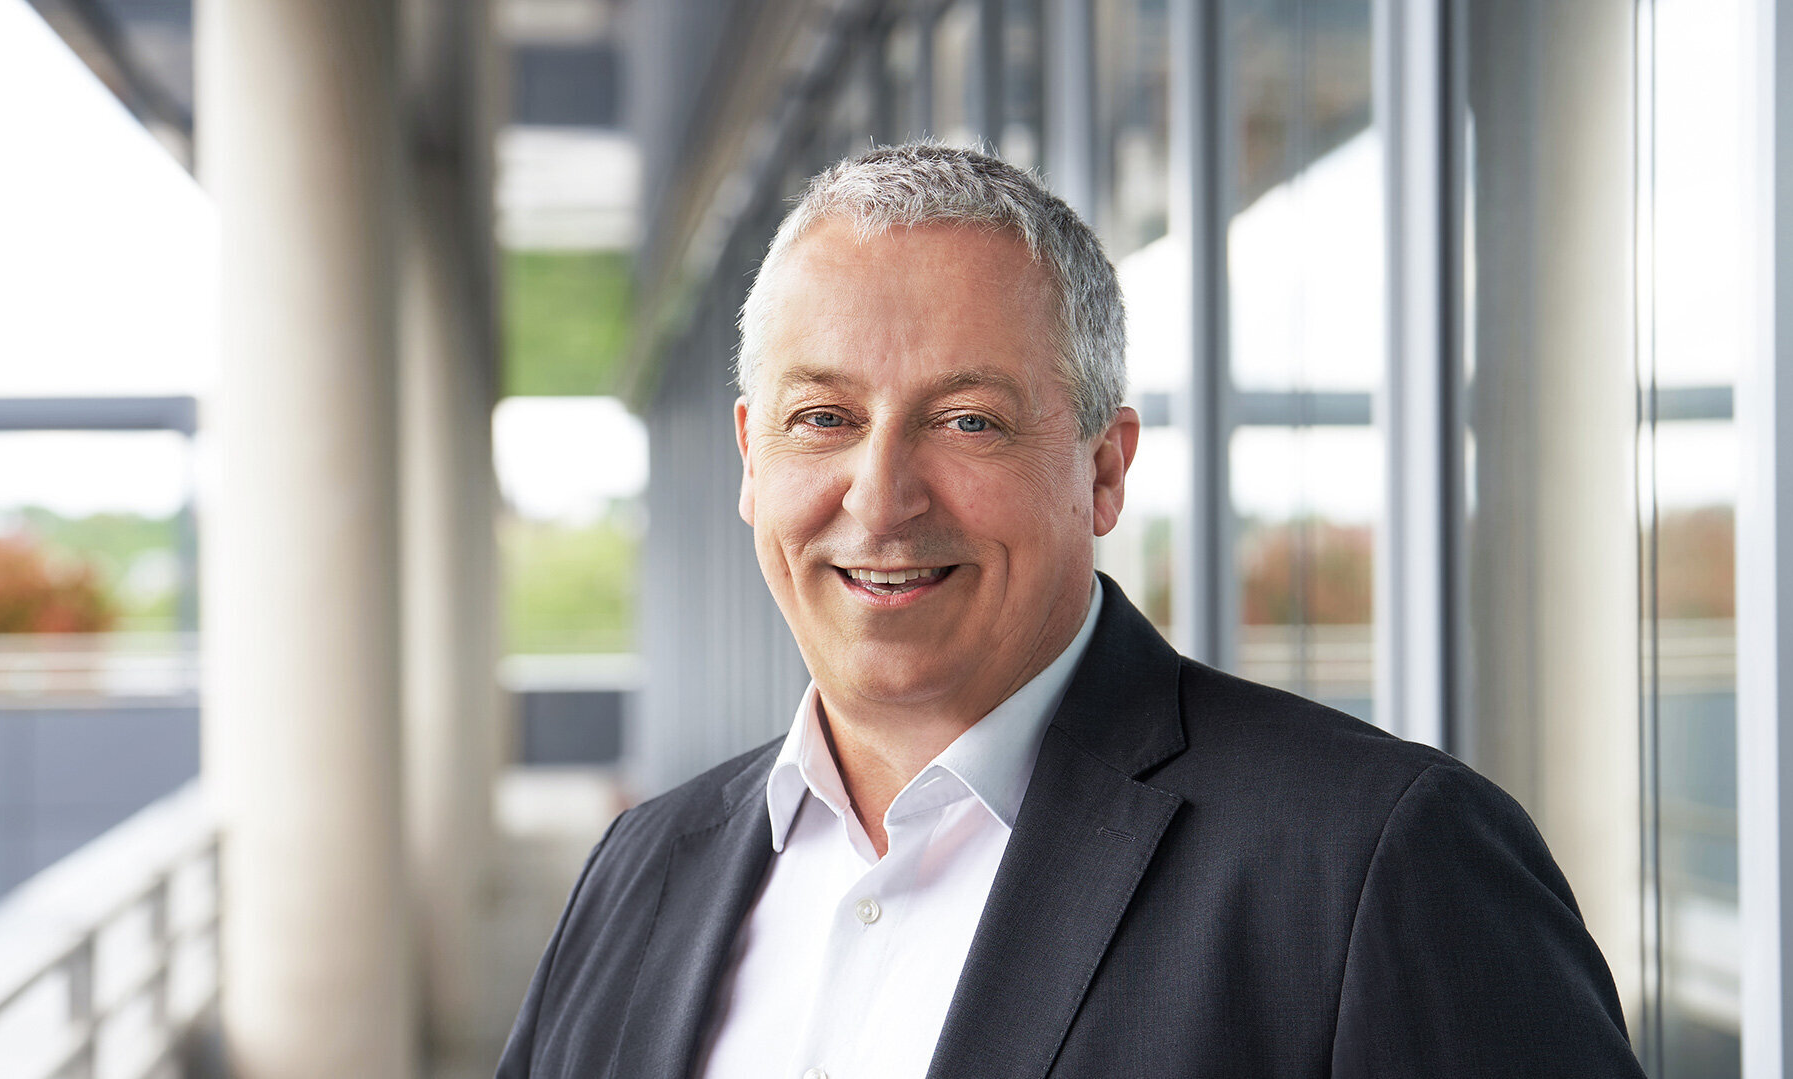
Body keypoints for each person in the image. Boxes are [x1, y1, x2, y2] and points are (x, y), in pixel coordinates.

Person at [495, 143, 1644, 1078]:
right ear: (752, 459)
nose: (882, 498)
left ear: (1104, 469)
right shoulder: (642, 867)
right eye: (823, 418)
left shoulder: (1370, 864)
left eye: (969, 421)